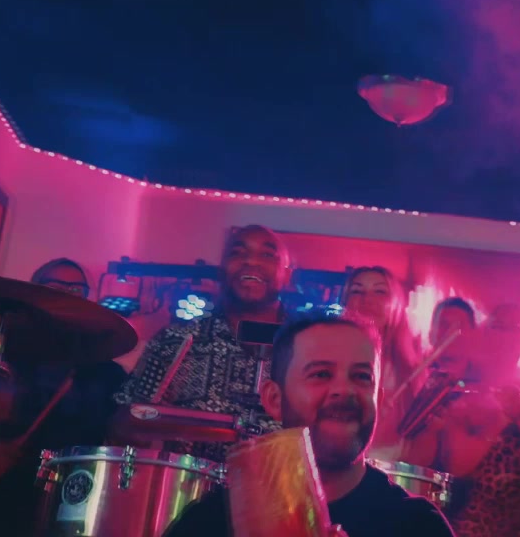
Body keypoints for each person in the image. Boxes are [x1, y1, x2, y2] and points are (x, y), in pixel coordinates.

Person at [163, 310, 455, 537]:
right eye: (321, 374)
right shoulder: (212, 522)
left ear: (377, 398)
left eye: (361, 377)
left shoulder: (417, 526)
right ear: (274, 399)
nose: (344, 390)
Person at [112, 224, 290, 461]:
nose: (251, 261)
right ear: (222, 270)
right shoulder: (176, 338)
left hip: (283, 482)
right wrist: (140, 426)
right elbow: (125, 422)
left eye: (267, 254)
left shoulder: (308, 347)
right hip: (191, 482)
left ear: (287, 275)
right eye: (238, 252)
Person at [0, 259, 130, 534]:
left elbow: (120, 441)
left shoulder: (106, 375)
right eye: (55, 287)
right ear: (31, 294)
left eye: (76, 290)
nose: (66, 296)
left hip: (68, 507)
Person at [402, 302, 520, 537]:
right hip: (466, 525)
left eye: (515, 329)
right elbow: (456, 468)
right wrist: (500, 421)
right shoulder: (461, 390)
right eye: (498, 327)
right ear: (483, 334)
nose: (505, 337)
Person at [341, 266, 424, 454]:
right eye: (357, 291)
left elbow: (416, 447)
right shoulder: (326, 355)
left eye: (380, 291)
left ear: (396, 304)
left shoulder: (410, 368)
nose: (367, 299)